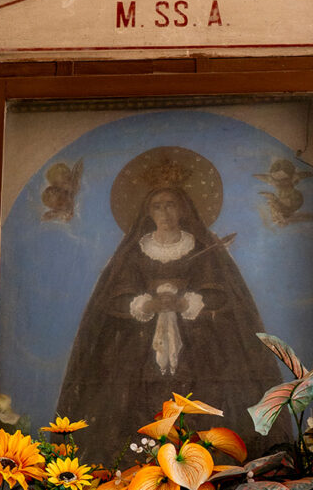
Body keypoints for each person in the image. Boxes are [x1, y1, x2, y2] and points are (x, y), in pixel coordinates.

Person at [57, 176, 288, 466]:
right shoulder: (133, 252)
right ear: (147, 213)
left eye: (170, 205)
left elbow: (222, 294)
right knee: (134, 403)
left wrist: (185, 302)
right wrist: (146, 304)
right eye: (157, 206)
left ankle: (197, 467)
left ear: (182, 210)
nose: (164, 213)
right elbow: (113, 297)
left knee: (201, 404)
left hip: (199, 347)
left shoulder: (202, 248)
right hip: (138, 350)